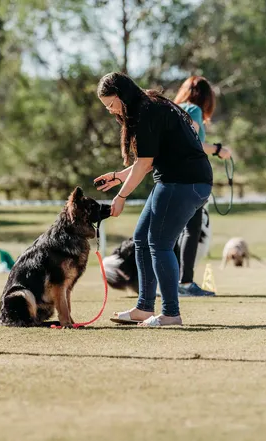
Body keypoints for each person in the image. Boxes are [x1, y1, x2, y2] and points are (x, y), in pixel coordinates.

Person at [93, 72, 213, 327]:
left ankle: (171, 314)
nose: (111, 111)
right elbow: (149, 161)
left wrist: (121, 196)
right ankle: (144, 308)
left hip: (183, 182)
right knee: (142, 239)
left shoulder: (147, 111)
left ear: (123, 95)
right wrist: (119, 177)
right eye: (106, 107)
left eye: (111, 104)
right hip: (182, 180)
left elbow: (145, 163)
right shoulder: (150, 106)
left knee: (159, 243)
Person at [170, 76, 234, 297]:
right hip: (191, 178)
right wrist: (218, 150)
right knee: (192, 229)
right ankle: (186, 282)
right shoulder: (194, 110)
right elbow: (192, 141)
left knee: (173, 231)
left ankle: (169, 283)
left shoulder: (173, 109)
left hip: (170, 176)